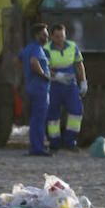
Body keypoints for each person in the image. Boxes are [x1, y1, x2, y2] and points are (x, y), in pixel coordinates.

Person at [46, 23, 87, 151]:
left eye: (62, 36)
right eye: (57, 37)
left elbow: (79, 65)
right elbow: (44, 68)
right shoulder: (46, 49)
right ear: (52, 37)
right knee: (53, 116)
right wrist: (57, 75)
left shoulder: (72, 46)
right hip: (54, 85)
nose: (60, 40)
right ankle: (54, 143)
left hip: (70, 85)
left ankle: (70, 141)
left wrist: (83, 82)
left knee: (76, 112)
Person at [20, 23, 51, 156]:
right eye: (44, 34)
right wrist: (43, 75)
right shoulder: (37, 48)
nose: (47, 37)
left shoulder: (28, 48)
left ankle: (35, 146)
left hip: (31, 86)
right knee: (39, 119)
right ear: (37, 35)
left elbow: (19, 59)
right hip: (39, 88)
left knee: (35, 119)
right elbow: (34, 62)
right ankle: (38, 148)